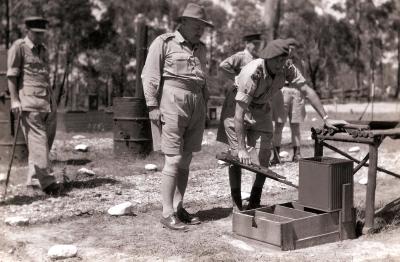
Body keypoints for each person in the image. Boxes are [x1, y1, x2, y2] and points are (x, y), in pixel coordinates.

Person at [141, 3, 213, 231]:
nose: (200, 29)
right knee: (172, 159)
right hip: (172, 101)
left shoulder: (201, 48)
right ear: (182, 22)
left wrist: (205, 104)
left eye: (203, 26)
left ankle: (178, 206)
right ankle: (166, 212)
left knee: (186, 159)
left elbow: (203, 79)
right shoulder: (164, 43)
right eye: (196, 24)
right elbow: (150, 75)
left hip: (196, 103)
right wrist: (152, 105)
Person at [217, 39, 291, 211]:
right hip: (238, 107)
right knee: (236, 156)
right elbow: (238, 114)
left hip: (261, 108)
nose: (281, 63)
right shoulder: (252, 71)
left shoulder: (285, 69)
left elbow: (303, 86)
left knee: (265, 155)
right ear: (268, 58)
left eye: (283, 59)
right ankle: (237, 202)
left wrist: (324, 116)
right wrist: (242, 148)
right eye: (277, 59)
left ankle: (255, 199)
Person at [7, 16, 62, 195]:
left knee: (43, 145)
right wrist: (15, 100)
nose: (40, 37)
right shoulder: (19, 48)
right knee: (39, 145)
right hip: (30, 105)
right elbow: (12, 77)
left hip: (48, 104)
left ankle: (34, 182)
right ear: (28, 31)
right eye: (37, 33)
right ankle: (48, 183)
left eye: (42, 33)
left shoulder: (43, 50)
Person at [270, 38, 333, 164]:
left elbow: (304, 83)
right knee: (279, 125)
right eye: (289, 47)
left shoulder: (300, 62)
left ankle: (297, 154)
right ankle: (276, 155)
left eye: (294, 47)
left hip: (297, 92)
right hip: (282, 91)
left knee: (296, 125)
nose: (292, 50)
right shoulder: (278, 60)